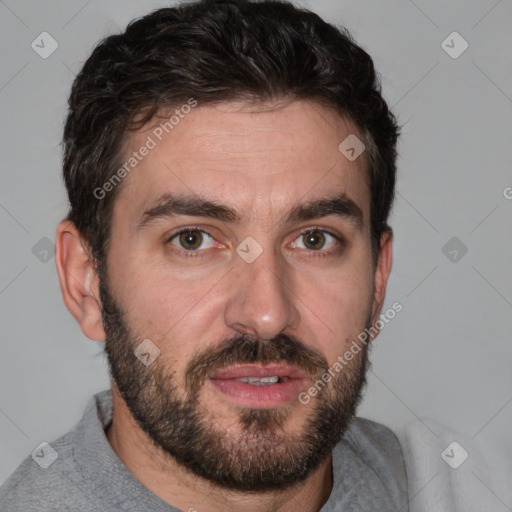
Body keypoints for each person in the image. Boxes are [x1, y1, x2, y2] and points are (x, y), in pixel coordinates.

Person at [0, 0, 408, 510]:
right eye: (192, 239)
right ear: (85, 281)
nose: (266, 314)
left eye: (313, 239)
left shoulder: (441, 483)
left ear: (377, 280)